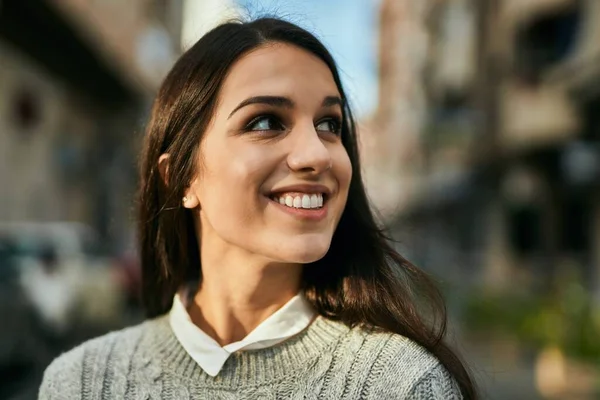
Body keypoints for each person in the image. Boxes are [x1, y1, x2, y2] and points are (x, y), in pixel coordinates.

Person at [39, 17, 477, 399]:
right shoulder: (80, 382)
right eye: (266, 121)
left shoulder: (404, 385)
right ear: (181, 178)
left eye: (329, 124)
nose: (318, 155)